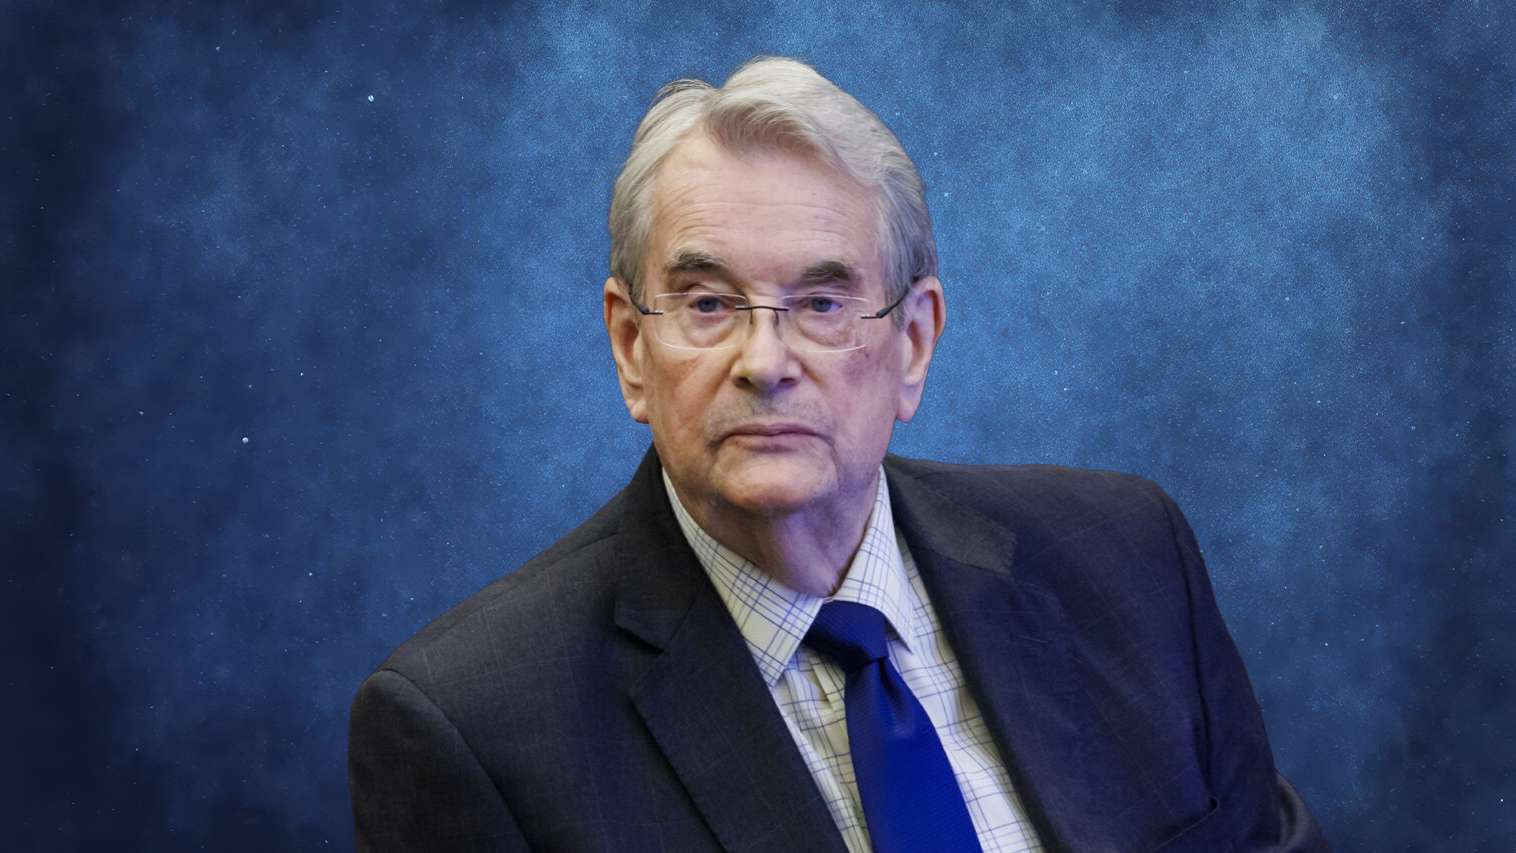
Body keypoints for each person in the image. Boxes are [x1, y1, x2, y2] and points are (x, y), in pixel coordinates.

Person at [348, 57, 1329, 852]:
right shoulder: (470, 729)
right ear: (630, 346)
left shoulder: (1127, 561)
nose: (764, 362)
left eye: (821, 303)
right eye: (708, 303)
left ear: (914, 343)